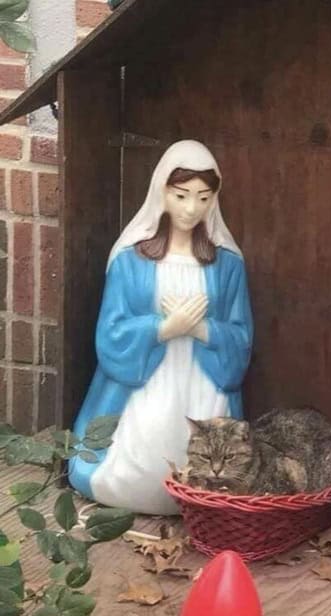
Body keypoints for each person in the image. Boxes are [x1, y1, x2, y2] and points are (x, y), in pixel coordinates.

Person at [69, 140, 253, 515]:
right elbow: (111, 332)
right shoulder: (130, 261)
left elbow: (242, 336)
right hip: (145, 385)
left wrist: (201, 329)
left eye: (203, 198)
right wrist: (165, 327)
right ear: (162, 192)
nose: (191, 208)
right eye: (181, 195)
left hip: (203, 386)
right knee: (136, 467)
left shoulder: (228, 265)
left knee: (204, 461)